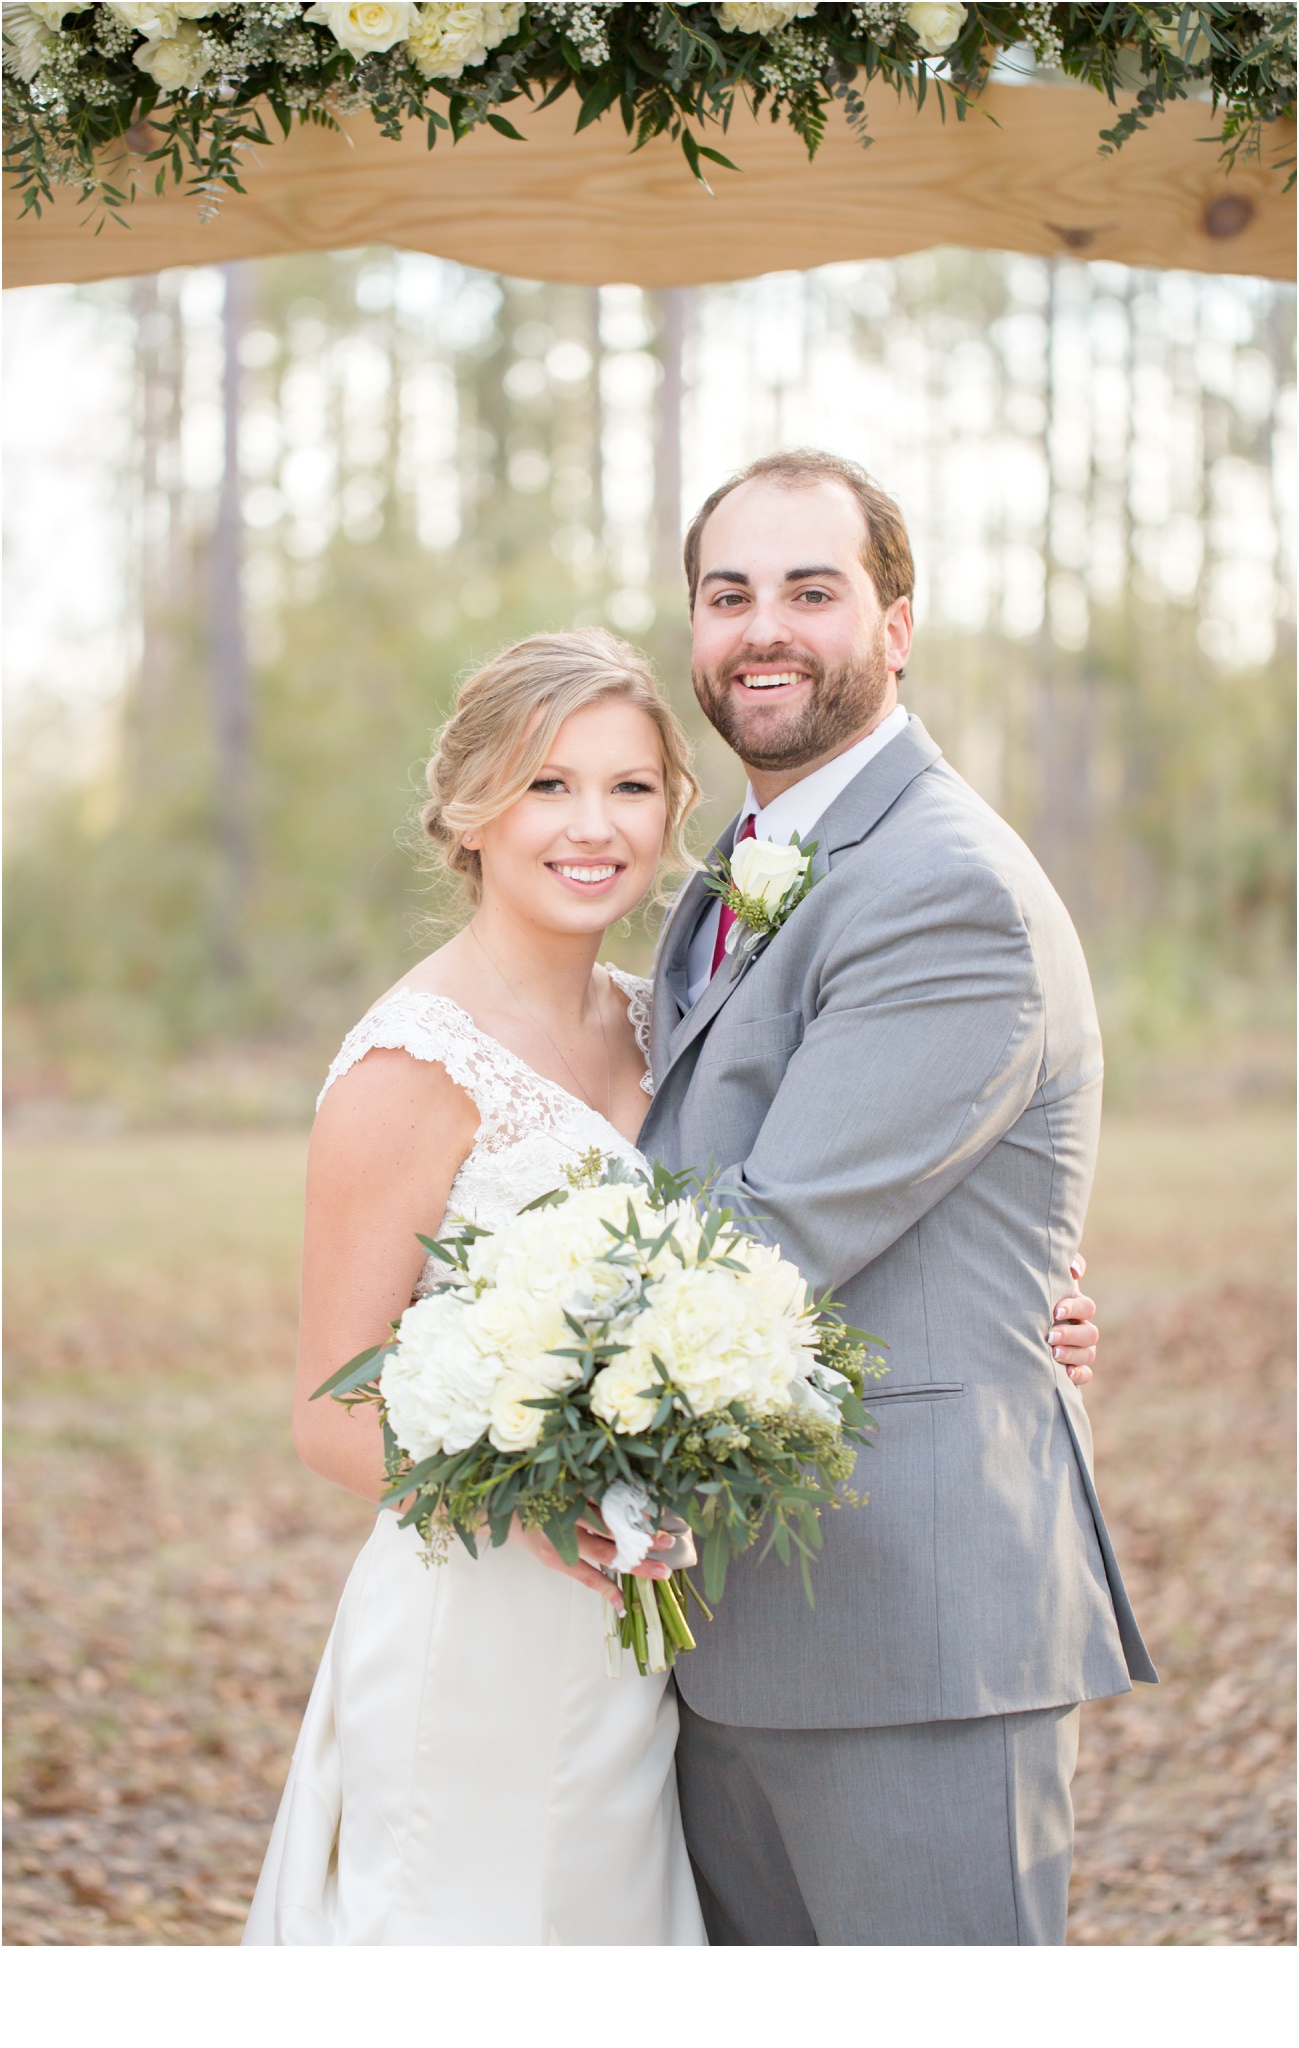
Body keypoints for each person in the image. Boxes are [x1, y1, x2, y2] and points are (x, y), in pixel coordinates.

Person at [244, 604, 1105, 1949]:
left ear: (673, 817)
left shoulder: (672, 1021)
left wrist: (1009, 1305)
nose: (593, 826)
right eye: (549, 786)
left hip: (662, 1642)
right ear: (469, 811)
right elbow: (322, 1408)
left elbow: (805, 1218)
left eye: (631, 789)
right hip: (488, 1619)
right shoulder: (408, 1071)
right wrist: (534, 1501)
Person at [640, 448, 1156, 1947]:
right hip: (735, 1613)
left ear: (898, 624)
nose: (765, 629)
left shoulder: (943, 885)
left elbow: (769, 1234)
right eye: (730, 595)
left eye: (815, 590)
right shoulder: (753, 861)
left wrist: (486, 1357)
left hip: (906, 1624)